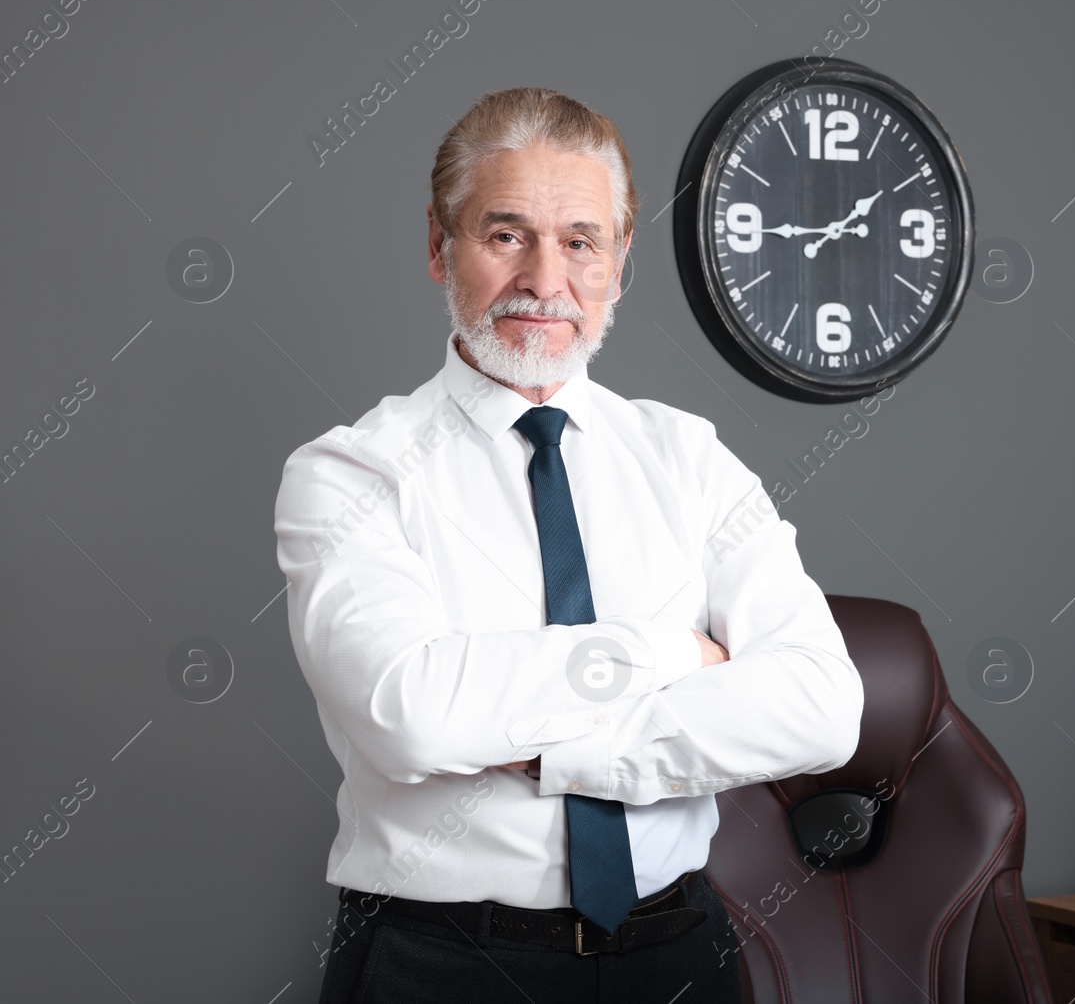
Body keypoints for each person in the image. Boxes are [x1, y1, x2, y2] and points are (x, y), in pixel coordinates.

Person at [273, 86, 865, 1003]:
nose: (547, 281)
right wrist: (672, 651)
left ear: (619, 265)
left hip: (682, 955)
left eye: (581, 242)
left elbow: (821, 705)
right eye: (506, 235)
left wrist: (552, 749)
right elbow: (410, 712)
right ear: (439, 245)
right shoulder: (352, 475)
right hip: (442, 963)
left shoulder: (690, 458)